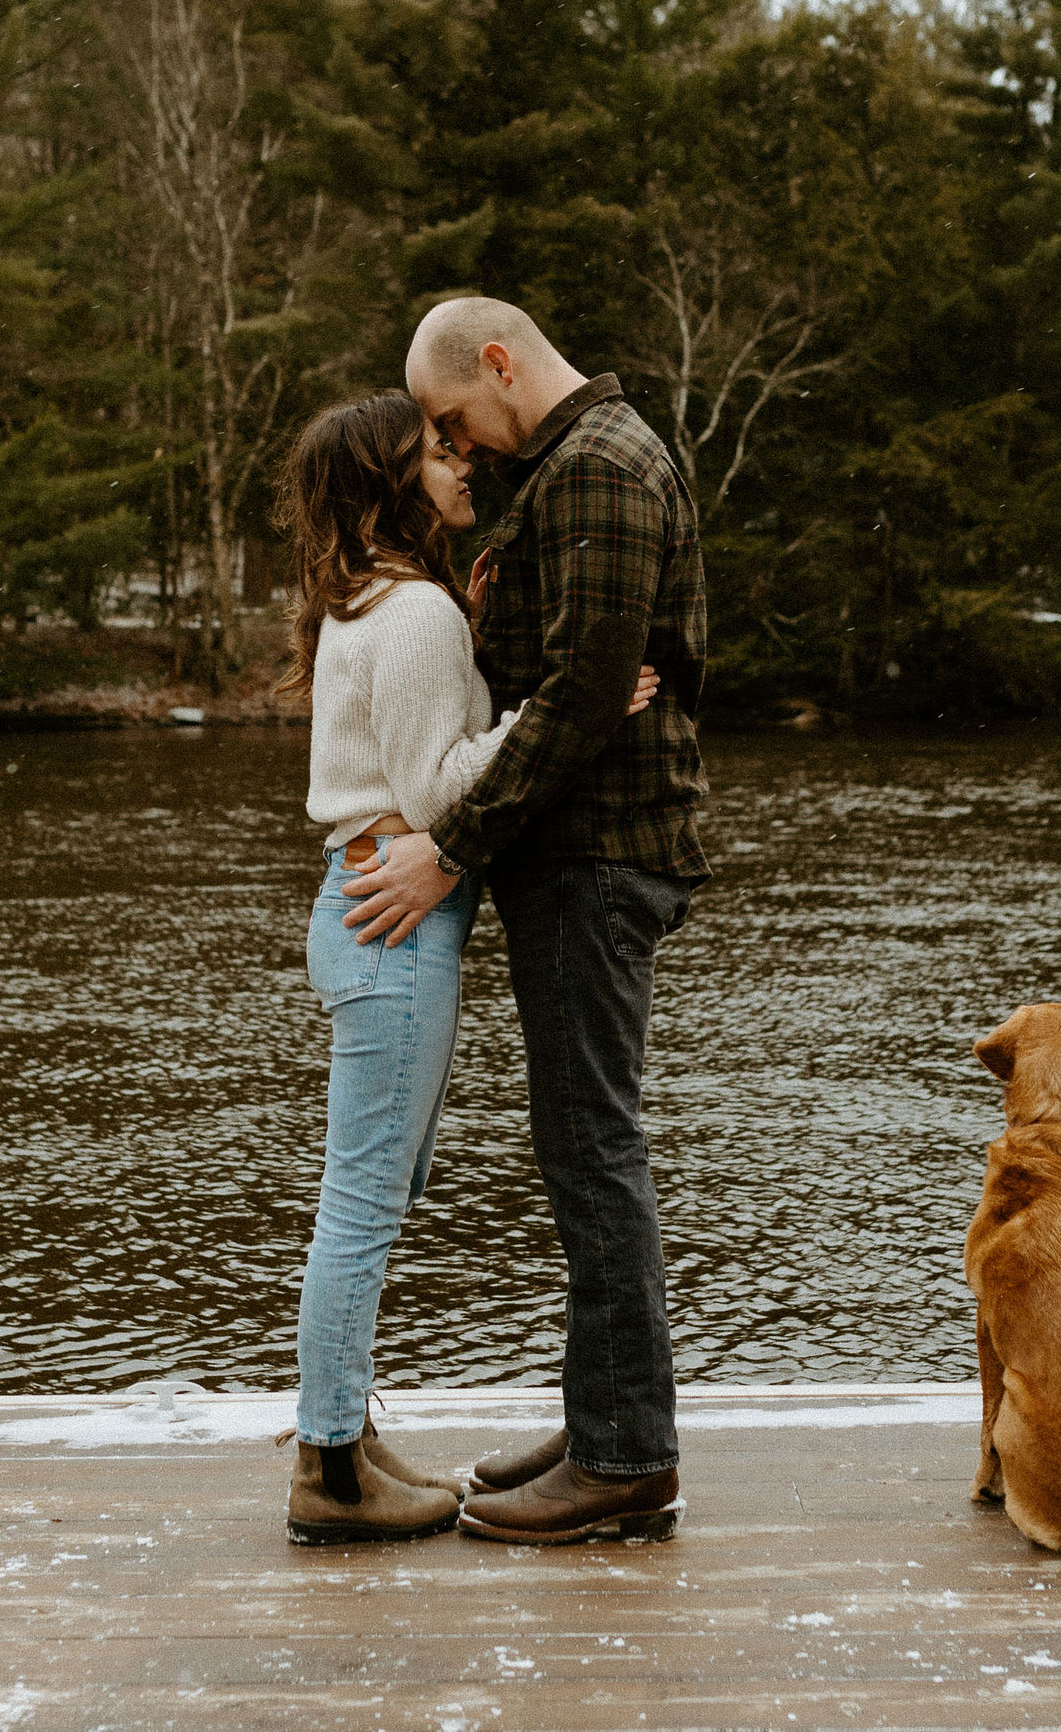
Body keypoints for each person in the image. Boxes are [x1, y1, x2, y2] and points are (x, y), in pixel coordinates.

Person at [342, 297, 707, 1546]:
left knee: (592, 1149)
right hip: (570, 856)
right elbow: (562, 684)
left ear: (498, 364)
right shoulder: (567, 467)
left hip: (597, 857)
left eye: (452, 418)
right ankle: (601, 1417)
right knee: (577, 1147)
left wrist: (445, 848)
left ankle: (622, 1458)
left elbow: (584, 693)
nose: (461, 444)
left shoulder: (600, 466)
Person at [275, 387, 660, 1544]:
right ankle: (329, 1471)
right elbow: (440, 787)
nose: (461, 464)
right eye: (434, 452)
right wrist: (564, 706)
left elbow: (421, 758)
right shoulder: (412, 618)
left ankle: (341, 1436)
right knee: (361, 1208)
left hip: (365, 911)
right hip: (393, 924)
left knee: (368, 1200)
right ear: (389, 480)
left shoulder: (383, 603)